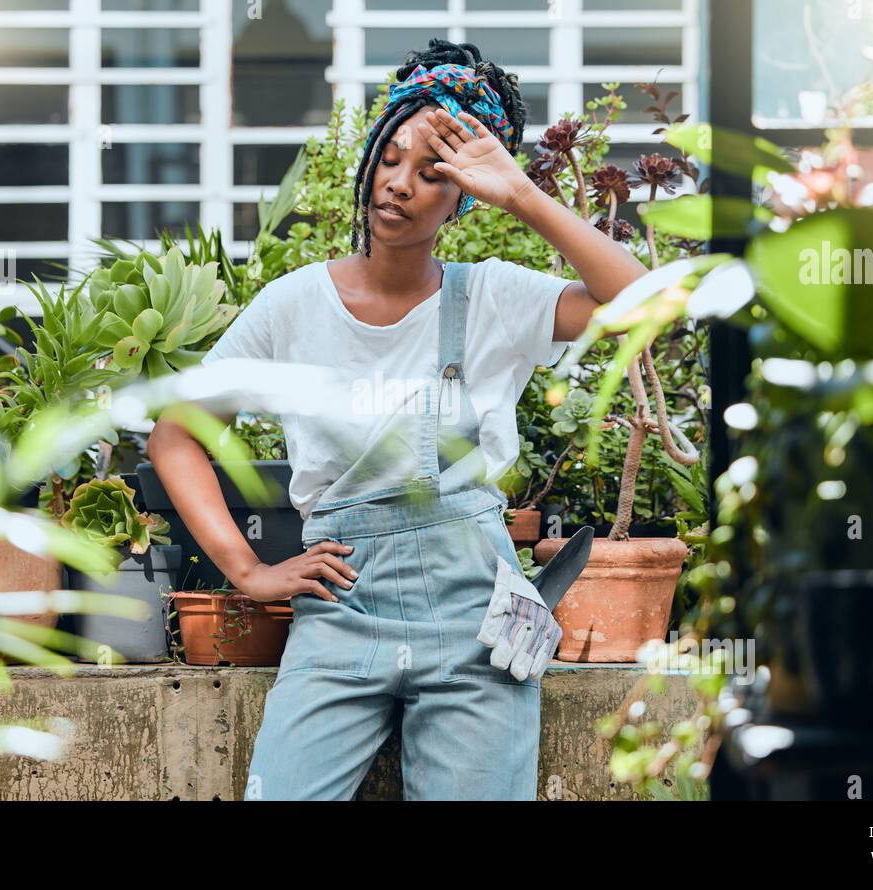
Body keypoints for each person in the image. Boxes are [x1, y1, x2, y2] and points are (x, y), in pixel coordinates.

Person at [147, 38, 649, 800]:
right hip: (340, 610)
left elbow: (647, 303)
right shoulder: (291, 308)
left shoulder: (493, 299)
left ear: (462, 199)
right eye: (391, 157)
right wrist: (248, 572)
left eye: (432, 173)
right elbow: (174, 435)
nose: (398, 186)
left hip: (476, 620)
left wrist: (524, 195)